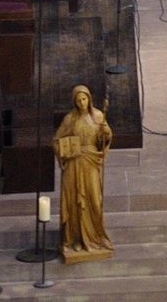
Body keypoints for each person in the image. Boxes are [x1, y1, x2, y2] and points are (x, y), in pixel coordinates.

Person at [53, 87, 114, 261]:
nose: (82, 103)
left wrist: (105, 135)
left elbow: (103, 141)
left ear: (89, 99)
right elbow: (56, 139)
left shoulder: (98, 117)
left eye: (84, 99)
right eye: (78, 100)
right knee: (75, 202)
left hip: (90, 161)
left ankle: (97, 236)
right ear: (74, 102)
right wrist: (64, 151)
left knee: (94, 200)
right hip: (74, 163)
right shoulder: (70, 119)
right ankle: (75, 239)